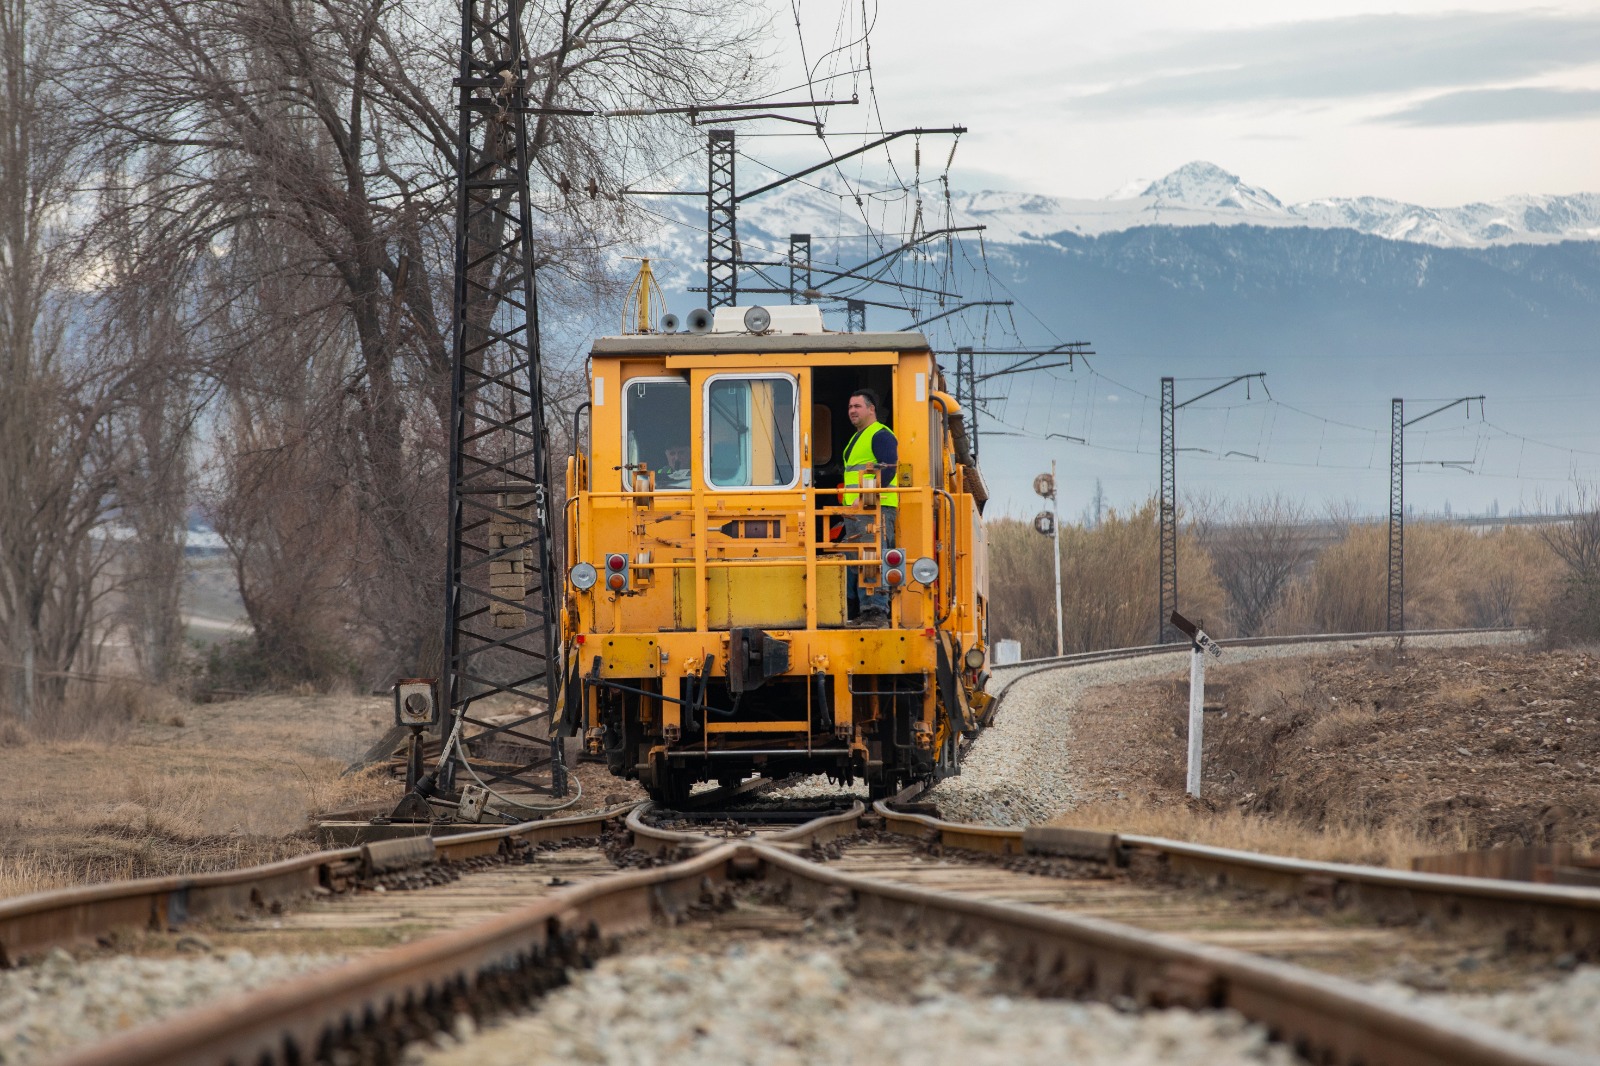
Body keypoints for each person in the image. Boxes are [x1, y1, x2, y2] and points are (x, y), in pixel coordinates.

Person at [840, 388, 898, 627]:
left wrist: (865, 497)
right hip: (857, 512)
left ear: (871, 409)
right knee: (853, 559)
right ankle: (860, 611)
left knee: (871, 556)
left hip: (875, 507)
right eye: (850, 407)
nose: (852, 411)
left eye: (857, 406)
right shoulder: (857, 437)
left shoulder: (880, 434)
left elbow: (889, 467)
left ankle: (876, 612)